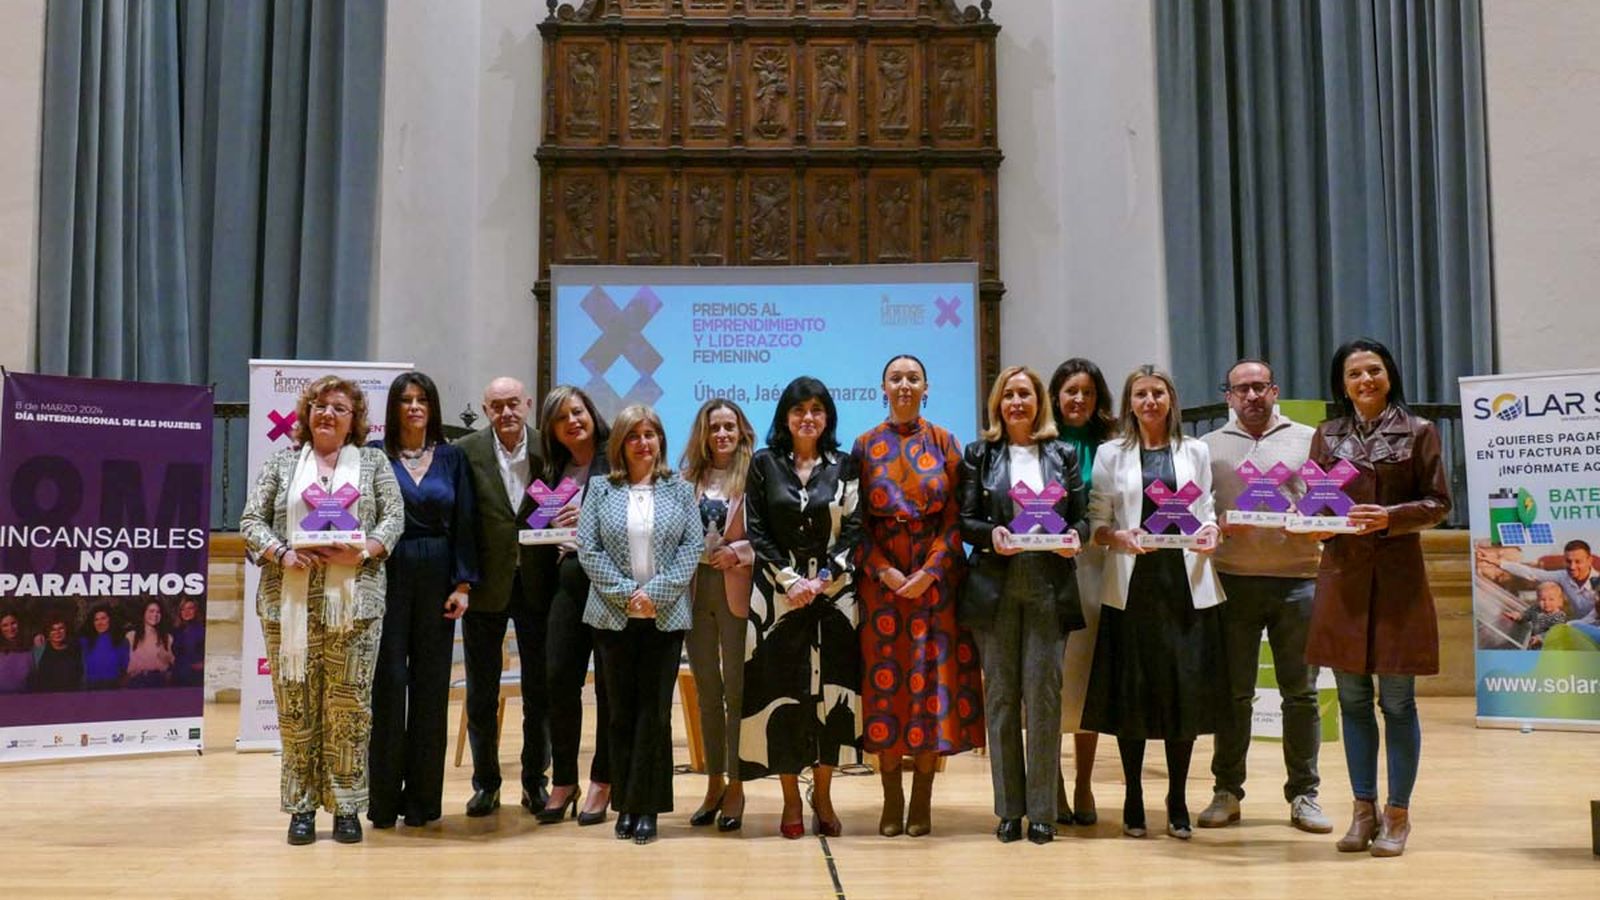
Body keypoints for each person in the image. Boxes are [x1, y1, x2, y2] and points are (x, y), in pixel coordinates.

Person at [240, 374, 404, 846]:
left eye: (339, 407)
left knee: (349, 709)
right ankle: (302, 806)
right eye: (319, 406)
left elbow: (394, 517)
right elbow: (251, 520)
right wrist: (281, 553)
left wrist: (367, 549)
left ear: (354, 421)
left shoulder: (372, 464)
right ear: (306, 415)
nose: (327, 414)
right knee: (296, 708)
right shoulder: (282, 464)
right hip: (288, 602)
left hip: (355, 606)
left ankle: (348, 806)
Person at [1308, 338, 1450, 858]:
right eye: (1353, 375)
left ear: (1389, 374)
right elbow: (1318, 505)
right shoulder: (1327, 436)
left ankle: (1397, 814)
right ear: (1341, 385)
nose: (1364, 381)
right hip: (1342, 578)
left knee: (1397, 701)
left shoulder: (1420, 432)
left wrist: (1391, 517)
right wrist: (1308, 525)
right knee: (1351, 702)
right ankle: (1361, 810)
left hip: (1398, 582)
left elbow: (1439, 503)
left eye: (1373, 370)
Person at [1082, 364, 1224, 841]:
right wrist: (1116, 536)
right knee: (1132, 694)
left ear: (1171, 399)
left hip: (1184, 588)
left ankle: (1179, 796)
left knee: (1182, 693)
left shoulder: (1196, 451)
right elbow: (1097, 520)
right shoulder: (1111, 454)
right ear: (1130, 403)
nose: (1149, 402)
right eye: (1140, 394)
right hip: (1132, 588)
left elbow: (1205, 510)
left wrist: (1211, 532)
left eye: (1157, 393)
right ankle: (1133, 795)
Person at [1196, 359, 1330, 833]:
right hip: (1232, 580)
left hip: (1299, 580)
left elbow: (1326, 503)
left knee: (1301, 695)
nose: (1251, 396)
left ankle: (1305, 795)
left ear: (1274, 390)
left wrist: (1310, 521)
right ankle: (1227, 792)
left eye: (1259, 387)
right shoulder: (1207, 446)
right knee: (1233, 695)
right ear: (1228, 397)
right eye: (1241, 389)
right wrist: (1213, 525)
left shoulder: (1310, 437)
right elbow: (1197, 512)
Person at [856, 354, 983, 839]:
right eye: (895, 378)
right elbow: (856, 524)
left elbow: (957, 518)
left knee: (931, 688)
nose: (904, 385)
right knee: (885, 690)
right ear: (882, 387)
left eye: (913, 378)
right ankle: (891, 798)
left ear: (925, 388)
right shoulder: (865, 445)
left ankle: (923, 798)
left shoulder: (947, 442)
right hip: (881, 589)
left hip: (936, 585)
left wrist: (929, 572)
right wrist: (885, 572)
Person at [959, 365, 1086, 845]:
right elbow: (965, 521)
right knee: (1002, 699)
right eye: (1008, 395)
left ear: (1039, 403)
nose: (1016, 402)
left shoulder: (1062, 453)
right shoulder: (980, 454)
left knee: (1045, 699)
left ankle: (1044, 811)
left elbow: (1080, 521)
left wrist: (1076, 538)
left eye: (1025, 394)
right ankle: (1009, 810)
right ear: (997, 403)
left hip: (1048, 585)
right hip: (996, 584)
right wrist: (991, 536)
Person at [740, 376, 863, 839]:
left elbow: (854, 529)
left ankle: (825, 795)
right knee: (783, 696)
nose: (807, 417)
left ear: (827, 416)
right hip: (777, 600)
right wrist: (791, 581)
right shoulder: (764, 464)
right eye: (798, 410)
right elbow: (757, 528)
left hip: (834, 598)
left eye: (816, 409)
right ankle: (791, 798)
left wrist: (824, 578)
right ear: (785, 418)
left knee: (830, 699)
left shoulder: (846, 465)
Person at [577, 405, 703, 845]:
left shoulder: (680, 490)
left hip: (664, 617)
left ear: (660, 441)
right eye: (634, 435)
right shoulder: (599, 489)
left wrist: (657, 594)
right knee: (619, 713)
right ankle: (624, 805)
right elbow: (587, 549)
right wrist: (628, 593)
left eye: (650, 434)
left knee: (654, 713)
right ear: (621, 445)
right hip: (613, 616)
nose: (643, 443)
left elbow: (693, 548)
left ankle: (647, 806)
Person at [369, 372, 479, 829]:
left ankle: (423, 803)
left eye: (422, 400)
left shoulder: (452, 458)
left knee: (432, 689)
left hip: (437, 575)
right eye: (405, 400)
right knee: (389, 685)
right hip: (387, 573)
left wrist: (463, 585)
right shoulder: (374, 456)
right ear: (393, 409)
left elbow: (467, 522)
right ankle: (380, 801)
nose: (414, 407)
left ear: (432, 408)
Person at [454, 376, 554, 819]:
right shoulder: (466, 451)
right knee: (481, 691)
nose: (506, 412)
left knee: (541, 691)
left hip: (538, 584)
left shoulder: (549, 447)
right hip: (484, 587)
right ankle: (486, 784)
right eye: (497, 405)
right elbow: (459, 519)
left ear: (528, 404)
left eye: (514, 403)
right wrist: (461, 580)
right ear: (486, 407)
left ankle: (536, 781)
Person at [531, 385, 615, 826]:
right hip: (565, 581)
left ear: (591, 413)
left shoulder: (616, 459)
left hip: (609, 584)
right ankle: (564, 779)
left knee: (607, 685)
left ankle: (603, 779)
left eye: (577, 412)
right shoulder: (551, 471)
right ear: (553, 430)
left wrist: (591, 518)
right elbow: (533, 526)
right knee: (559, 679)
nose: (573, 422)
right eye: (562, 418)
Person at [679, 399, 757, 832]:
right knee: (707, 691)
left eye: (729, 426)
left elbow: (766, 534)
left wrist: (740, 551)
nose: (722, 434)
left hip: (736, 590)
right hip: (695, 592)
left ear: (741, 431)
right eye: (714, 428)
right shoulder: (686, 479)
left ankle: (737, 785)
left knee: (737, 692)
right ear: (704, 435)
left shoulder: (756, 476)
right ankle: (712, 782)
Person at [1046, 357, 1117, 827]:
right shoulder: (1037, 444)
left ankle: (1085, 782)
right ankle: (1049, 784)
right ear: (1055, 396)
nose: (1078, 400)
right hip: (1048, 567)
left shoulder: (1113, 446)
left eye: (1087, 393)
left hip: (1097, 568)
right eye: (1070, 391)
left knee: (1087, 676)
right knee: (1050, 676)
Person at [1486, 540, 1599, 620]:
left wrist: (1574, 625)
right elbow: (1532, 573)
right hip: (1581, 631)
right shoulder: (1563, 576)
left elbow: (1595, 615)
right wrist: (1498, 562)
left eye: (1578, 561)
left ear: (1589, 560)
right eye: (1568, 561)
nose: (1572, 566)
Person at [124, 599, 176, 688]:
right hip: (136, 682)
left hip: (159, 682)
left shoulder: (167, 638)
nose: (155, 615)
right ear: (144, 613)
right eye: (151, 611)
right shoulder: (131, 636)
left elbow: (174, 662)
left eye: (158, 612)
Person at [1506, 583, 1569, 648]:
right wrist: (1518, 616)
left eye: (1551, 599)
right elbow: (1526, 616)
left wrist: (1540, 638)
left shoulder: (1559, 616)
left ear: (1559, 601)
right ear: (1538, 600)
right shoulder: (1535, 609)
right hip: (1534, 645)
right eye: (1543, 599)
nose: (1546, 603)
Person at [29, 614, 81, 692]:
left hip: (71, 697)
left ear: (66, 629)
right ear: (48, 632)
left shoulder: (75, 649)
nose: (57, 632)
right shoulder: (39, 650)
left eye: (61, 628)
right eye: (53, 629)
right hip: (45, 698)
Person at [81, 604, 128, 690]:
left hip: (114, 686)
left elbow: (125, 666)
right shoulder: (86, 641)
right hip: (91, 687)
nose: (100, 623)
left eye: (103, 618)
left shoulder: (121, 641)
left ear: (110, 619)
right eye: (96, 620)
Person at [170, 598, 207, 688]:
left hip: (196, 677)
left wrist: (203, 664)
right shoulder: (176, 632)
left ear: (196, 610)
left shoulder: (202, 630)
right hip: (178, 676)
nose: (186, 612)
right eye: (183, 609)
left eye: (190, 608)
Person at [0, 612, 33, 693]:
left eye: (13, 623)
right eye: (5, 625)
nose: (10, 628)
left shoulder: (30, 649)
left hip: (26, 700)